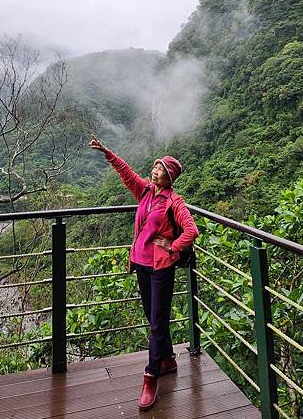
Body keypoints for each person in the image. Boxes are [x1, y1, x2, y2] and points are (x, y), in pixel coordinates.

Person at [89, 135, 199, 411]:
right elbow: (126, 174)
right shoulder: (146, 192)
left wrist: (172, 247)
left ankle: (151, 377)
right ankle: (169, 360)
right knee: (153, 317)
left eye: (160, 168)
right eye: (155, 166)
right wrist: (107, 152)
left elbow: (191, 230)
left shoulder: (175, 201)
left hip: (161, 267)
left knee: (157, 323)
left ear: (169, 176)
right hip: (140, 263)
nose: (155, 170)